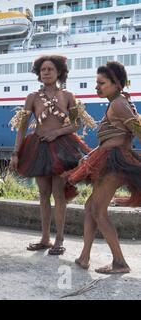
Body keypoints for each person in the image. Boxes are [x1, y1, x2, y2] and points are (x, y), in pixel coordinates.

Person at [9, 55, 95, 255]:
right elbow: (21, 128)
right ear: (39, 74)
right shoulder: (32, 97)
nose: (46, 72)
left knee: (58, 193)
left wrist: (56, 132)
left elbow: (76, 124)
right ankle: (45, 238)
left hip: (62, 149)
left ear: (59, 73)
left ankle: (59, 239)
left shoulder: (68, 96)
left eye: (50, 69)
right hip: (38, 149)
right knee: (43, 194)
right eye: (43, 70)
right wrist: (15, 153)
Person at [65, 61, 141, 274]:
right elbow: (116, 135)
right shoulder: (117, 102)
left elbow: (135, 132)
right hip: (107, 158)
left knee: (98, 211)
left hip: (114, 163)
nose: (97, 87)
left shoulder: (119, 103)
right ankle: (84, 257)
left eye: (102, 83)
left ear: (117, 83)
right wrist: (90, 155)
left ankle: (119, 262)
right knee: (90, 208)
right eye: (96, 83)